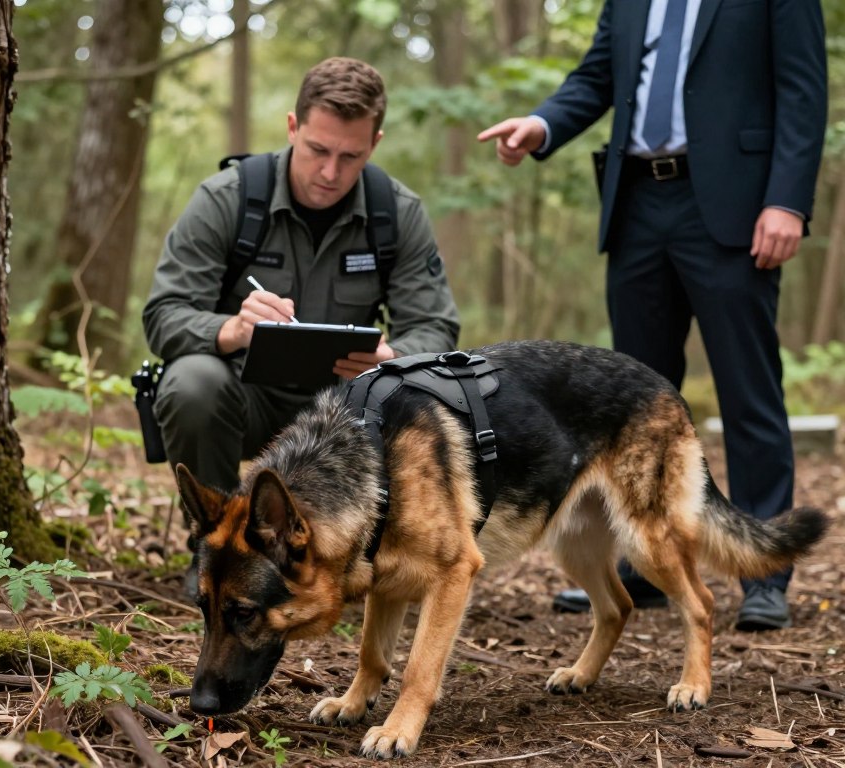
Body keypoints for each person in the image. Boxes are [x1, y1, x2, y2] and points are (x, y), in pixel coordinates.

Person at [478, 0, 827, 631]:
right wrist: (542, 124)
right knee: (630, 404)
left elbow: (803, 90)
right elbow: (596, 77)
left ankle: (765, 578)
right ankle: (643, 568)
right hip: (637, 206)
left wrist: (787, 201)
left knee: (749, 393)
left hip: (734, 208)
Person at [142, 57, 460, 596]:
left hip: (344, 412)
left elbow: (435, 328)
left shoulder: (395, 213)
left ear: (374, 144)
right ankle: (217, 556)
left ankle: (350, 564)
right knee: (191, 382)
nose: (330, 173)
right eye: (317, 150)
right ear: (293, 127)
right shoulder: (228, 198)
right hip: (245, 400)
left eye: (349, 156)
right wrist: (232, 330)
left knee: (410, 396)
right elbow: (164, 313)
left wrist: (393, 357)